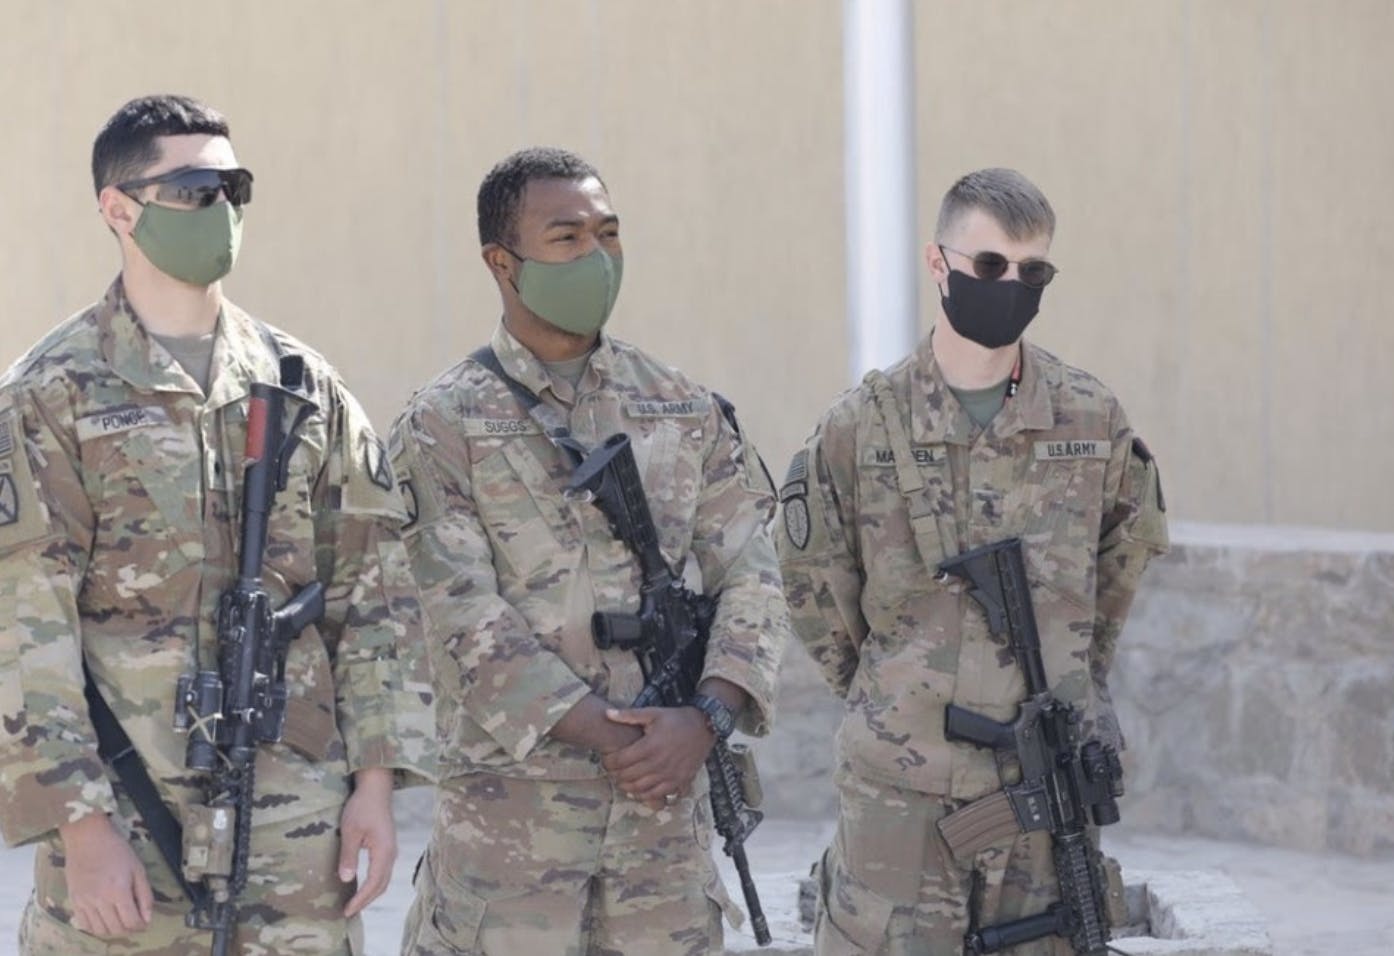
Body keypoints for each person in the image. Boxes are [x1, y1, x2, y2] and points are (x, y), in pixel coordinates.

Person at [0, 94, 435, 955]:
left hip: (298, 832)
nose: (224, 209)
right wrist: (80, 828)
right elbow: (22, 626)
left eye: (235, 188)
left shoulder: (302, 386)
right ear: (119, 209)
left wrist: (376, 785)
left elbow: (373, 593)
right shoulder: (50, 395)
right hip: (130, 821)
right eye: (196, 190)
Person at [392, 147, 787, 956]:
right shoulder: (442, 424)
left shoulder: (681, 407)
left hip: (661, 840)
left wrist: (708, 717)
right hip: (512, 843)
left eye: (608, 234)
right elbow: (454, 613)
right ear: (503, 262)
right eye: (567, 238)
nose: (597, 256)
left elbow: (755, 573)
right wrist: (621, 735)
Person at [775, 168, 1169, 955]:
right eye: (990, 265)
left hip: (1042, 790)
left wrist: (1073, 675)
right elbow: (812, 580)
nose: (1011, 286)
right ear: (938, 263)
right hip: (900, 795)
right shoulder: (860, 428)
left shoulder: (1090, 418)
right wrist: (895, 691)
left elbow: (1122, 562)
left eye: (1033, 272)